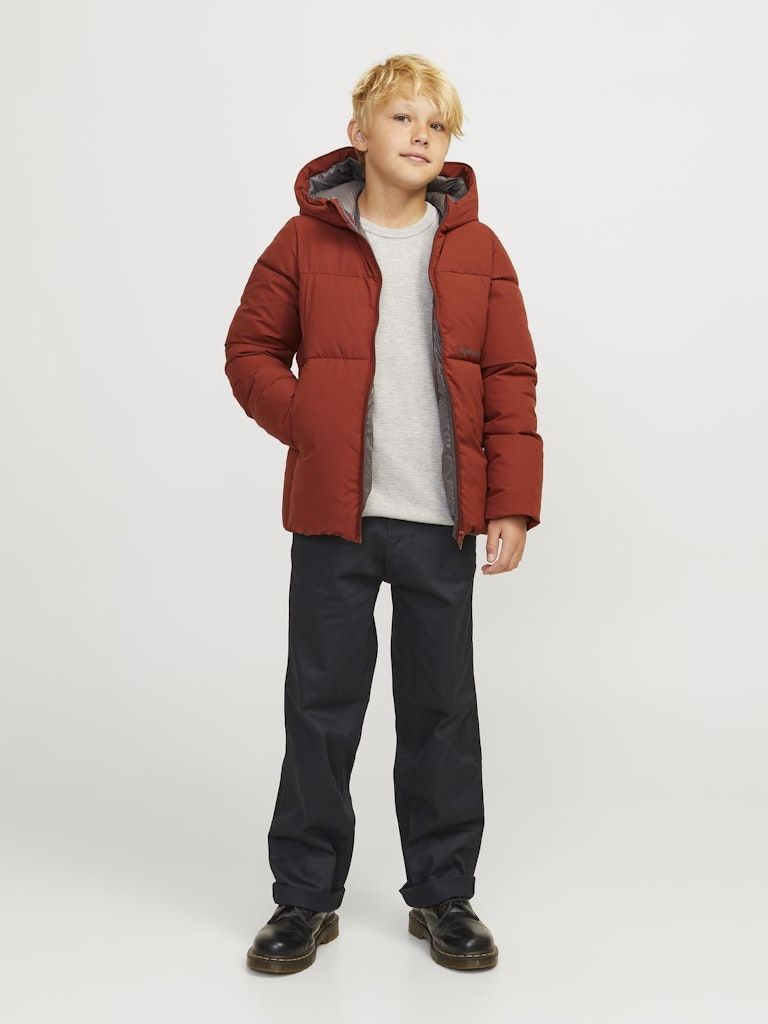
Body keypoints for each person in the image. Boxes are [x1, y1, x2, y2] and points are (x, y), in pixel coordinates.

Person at [224, 53, 543, 974]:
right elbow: (250, 351)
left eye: (436, 125)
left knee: (441, 709)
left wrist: (512, 504)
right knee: (321, 708)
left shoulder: (480, 251)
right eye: (402, 118)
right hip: (336, 520)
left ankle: (444, 893)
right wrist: (312, 426)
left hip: (442, 519)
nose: (419, 135)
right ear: (358, 133)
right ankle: (303, 898)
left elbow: (510, 379)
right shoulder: (303, 241)